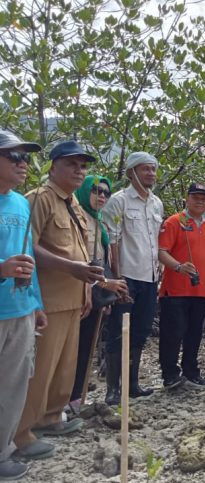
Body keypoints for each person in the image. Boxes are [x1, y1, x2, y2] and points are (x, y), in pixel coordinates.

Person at [16, 140, 105, 460]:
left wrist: (86, 289)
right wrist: (71, 269)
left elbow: (79, 249)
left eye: (83, 166)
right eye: (72, 164)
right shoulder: (39, 199)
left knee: (64, 366)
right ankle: (22, 430)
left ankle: (51, 416)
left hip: (73, 298)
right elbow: (29, 247)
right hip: (47, 299)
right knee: (40, 368)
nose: (79, 171)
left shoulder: (73, 203)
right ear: (53, 166)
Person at [0, 130, 47, 479]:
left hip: (19, 309)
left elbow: (28, 254)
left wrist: (36, 302)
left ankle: (3, 451)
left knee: (14, 384)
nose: (23, 164)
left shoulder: (20, 203)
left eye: (25, 157)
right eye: (14, 156)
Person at [102, 152, 164, 404]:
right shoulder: (118, 201)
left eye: (153, 169)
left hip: (149, 278)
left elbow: (156, 241)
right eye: (145, 169)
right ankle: (112, 389)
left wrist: (159, 273)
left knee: (140, 331)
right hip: (126, 276)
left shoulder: (156, 203)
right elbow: (112, 242)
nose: (150, 173)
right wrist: (117, 280)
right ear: (131, 173)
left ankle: (132, 383)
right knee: (117, 331)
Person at [69, 175, 128, 410]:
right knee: (70, 348)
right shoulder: (77, 218)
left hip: (95, 292)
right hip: (75, 292)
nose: (101, 195)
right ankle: (62, 398)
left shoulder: (100, 221)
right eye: (96, 190)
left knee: (86, 346)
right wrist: (106, 285)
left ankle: (75, 398)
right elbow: (78, 260)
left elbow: (103, 259)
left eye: (106, 192)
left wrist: (105, 293)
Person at [157, 183, 205, 388]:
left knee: (194, 334)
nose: (200, 201)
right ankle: (170, 374)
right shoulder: (174, 222)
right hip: (174, 290)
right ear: (187, 198)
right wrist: (178, 267)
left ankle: (191, 371)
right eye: (195, 197)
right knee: (173, 333)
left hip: (199, 291)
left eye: (204, 198)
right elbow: (161, 251)